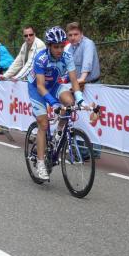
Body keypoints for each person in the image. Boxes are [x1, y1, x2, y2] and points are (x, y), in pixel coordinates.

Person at [27, 26, 90, 180]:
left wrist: (80, 99)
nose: (60, 50)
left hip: (54, 85)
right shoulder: (41, 58)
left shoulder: (67, 56)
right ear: (49, 46)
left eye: (62, 46)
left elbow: (74, 81)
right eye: (56, 47)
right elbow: (41, 86)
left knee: (70, 101)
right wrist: (54, 104)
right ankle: (41, 163)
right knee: (43, 124)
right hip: (37, 89)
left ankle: (59, 132)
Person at [66, 22, 102, 158]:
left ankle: (94, 151)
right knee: (80, 118)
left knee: (91, 117)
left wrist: (82, 78)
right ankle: (84, 150)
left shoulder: (88, 44)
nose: (73, 37)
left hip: (91, 84)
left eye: (76, 34)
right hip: (78, 86)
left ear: (81, 34)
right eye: (70, 35)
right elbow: (66, 65)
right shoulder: (69, 48)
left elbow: (87, 62)